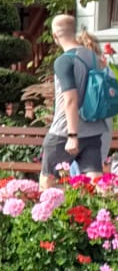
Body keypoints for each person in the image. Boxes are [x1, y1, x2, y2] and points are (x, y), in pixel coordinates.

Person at [40, 14, 112, 189]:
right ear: (74, 32)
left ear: (55, 36)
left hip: (64, 132)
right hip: (93, 130)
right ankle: (106, 207)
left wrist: (72, 136)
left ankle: (44, 206)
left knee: (47, 181)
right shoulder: (93, 57)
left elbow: (71, 99)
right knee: (95, 184)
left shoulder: (64, 61)